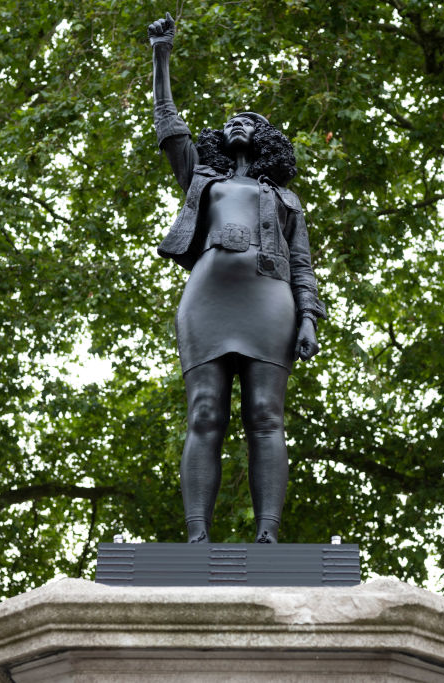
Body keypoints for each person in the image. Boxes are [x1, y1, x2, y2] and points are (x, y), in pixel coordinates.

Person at [148, 13, 326, 543]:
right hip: (208, 300)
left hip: (270, 303)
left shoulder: (286, 199)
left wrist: (310, 318)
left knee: (266, 415)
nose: (241, 121)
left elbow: (301, 265)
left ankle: (269, 535)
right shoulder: (200, 178)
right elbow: (167, 124)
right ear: (222, 137)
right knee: (204, 412)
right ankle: (196, 537)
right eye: (233, 118)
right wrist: (161, 53)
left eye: (252, 118)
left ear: (266, 138)